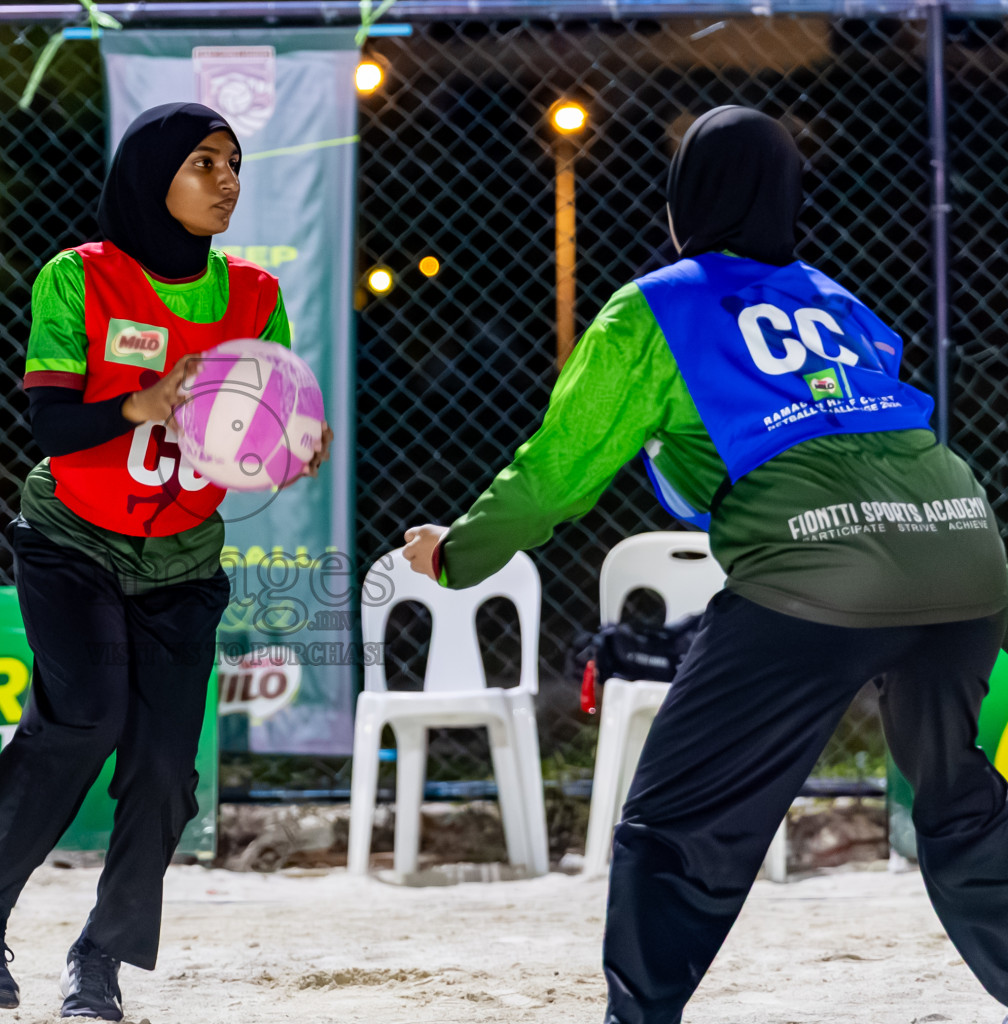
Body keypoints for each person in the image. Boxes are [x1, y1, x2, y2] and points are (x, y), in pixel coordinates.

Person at [401, 106, 1008, 1023]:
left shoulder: (656, 306)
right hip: (964, 547)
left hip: (819, 569)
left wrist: (458, 552)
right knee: (963, 807)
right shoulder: (841, 300)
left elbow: (556, 475)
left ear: (684, 197)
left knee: (673, 823)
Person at [0, 102, 330, 1021]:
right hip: (72, 538)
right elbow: (53, 428)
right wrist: (141, 404)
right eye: (203, 163)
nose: (228, 180)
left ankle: (100, 959)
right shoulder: (80, 279)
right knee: (81, 722)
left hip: (182, 559)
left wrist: (294, 443)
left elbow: (267, 427)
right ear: (153, 176)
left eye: (234, 163)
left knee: (162, 772)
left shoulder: (256, 296)